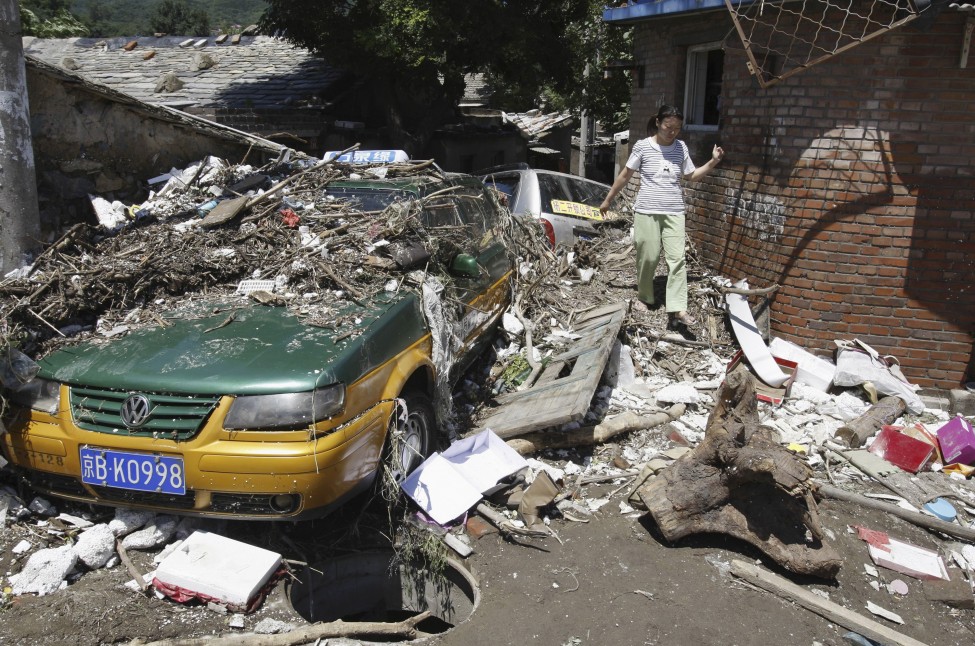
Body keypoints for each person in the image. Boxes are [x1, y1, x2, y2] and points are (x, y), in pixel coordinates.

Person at [599, 105, 724, 328]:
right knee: (649, 256)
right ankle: (645, 296)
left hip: (674, 211)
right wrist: (609, 199)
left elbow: (691, 176)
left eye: (676, 128)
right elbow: (626, 175)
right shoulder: (643, 147)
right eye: (668, 126)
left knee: (677, 259)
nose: (672, 132)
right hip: (647, 210)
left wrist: (713, 161)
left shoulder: (680, 148)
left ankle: (677, 308)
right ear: (658, 122)